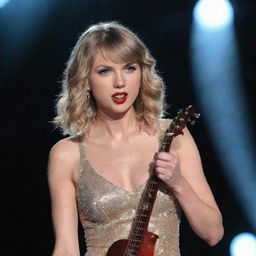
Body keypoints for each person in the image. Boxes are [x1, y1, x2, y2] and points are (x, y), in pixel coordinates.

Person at [48, 21, 224, 256]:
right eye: (105, 71)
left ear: (142, 73)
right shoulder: (67, 154)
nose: (120, 82)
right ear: (86, 80)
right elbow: (66, 249)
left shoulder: (172, 136)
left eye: (129, 68)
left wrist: (178, 182)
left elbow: (213, 234)